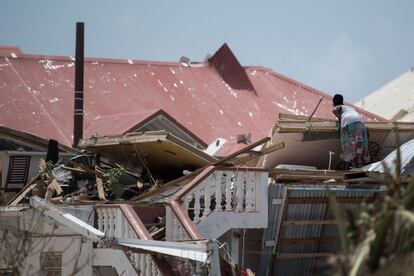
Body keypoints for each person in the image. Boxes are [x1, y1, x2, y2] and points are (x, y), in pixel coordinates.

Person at [332, 94, 370, 168]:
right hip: (359, 121)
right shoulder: (350, 107)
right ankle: (359, 161)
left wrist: (340, 119)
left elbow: (334, 110)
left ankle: (352, 162)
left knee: (349, 142)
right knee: (359, 142)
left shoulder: (340, 106)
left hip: (348, 121)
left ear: (334, 103)